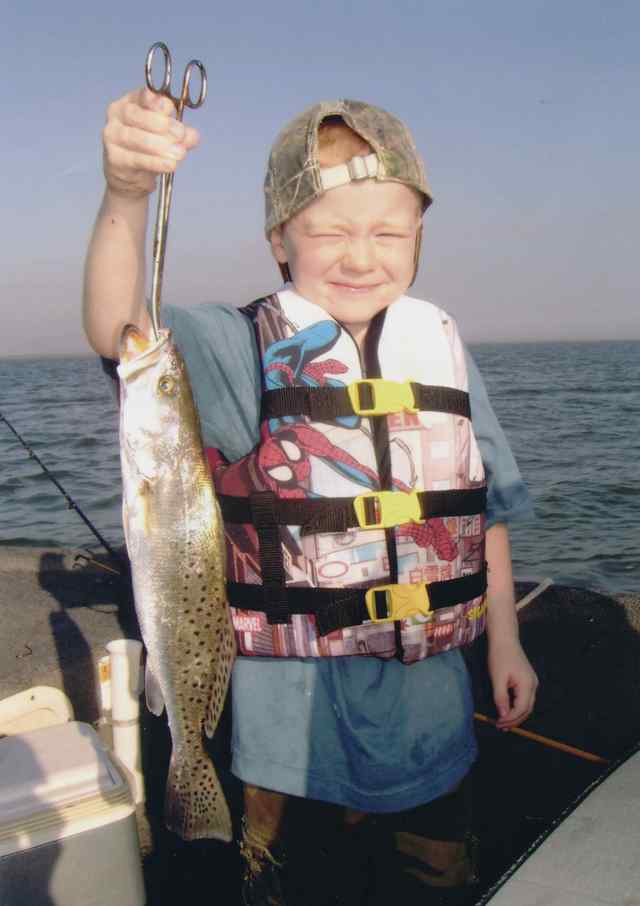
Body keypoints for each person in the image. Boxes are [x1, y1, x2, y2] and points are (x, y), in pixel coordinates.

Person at [84, 89, 538, 905]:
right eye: (328, 230)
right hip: (283, 746)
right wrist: (126, 194)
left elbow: (483, 512)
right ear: (279, 241)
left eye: (388, 231)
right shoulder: (236, 345)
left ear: (419, 238)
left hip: (432, 730)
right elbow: (119, 325)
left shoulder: (438, 349)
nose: (360, 255)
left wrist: (504, 642)